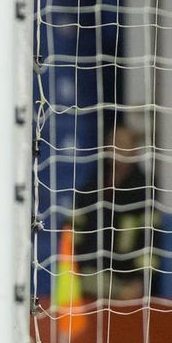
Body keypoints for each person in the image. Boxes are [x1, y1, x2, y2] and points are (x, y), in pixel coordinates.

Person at [70, 123, 156, 300]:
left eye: (123, 143)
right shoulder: (92, 185)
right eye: (113, 143)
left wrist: (141, 280)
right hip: (91, 272)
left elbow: (151, 238)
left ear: (134, 150)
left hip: (127, 277)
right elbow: (74, 229)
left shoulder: (144, 189)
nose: (116, 149)